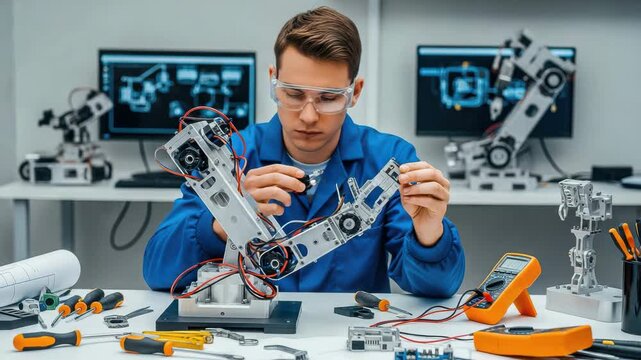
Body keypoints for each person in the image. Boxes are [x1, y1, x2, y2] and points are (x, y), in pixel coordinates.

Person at [143, 6, 464, 297]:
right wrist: (225, 221)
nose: (308, 116)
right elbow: (158, 270)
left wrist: (429, 232)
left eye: (328, 97)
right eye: (293, 94)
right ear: (273, 81)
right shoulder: (229, 158)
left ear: (355, 93)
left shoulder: (388, 158)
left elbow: (436, 287)